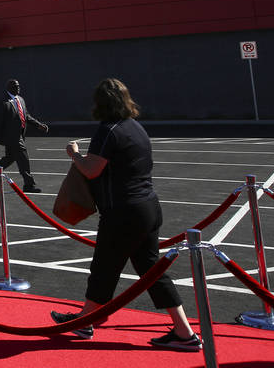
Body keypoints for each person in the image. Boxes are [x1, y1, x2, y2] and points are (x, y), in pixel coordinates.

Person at [51, 78, 201, 351]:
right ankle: (183, 331)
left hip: (124, 211)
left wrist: (73, 154)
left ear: (100, 104)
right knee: (151, 271)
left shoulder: (107, 131)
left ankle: (86, 321)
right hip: (148, 206)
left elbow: (92, 169)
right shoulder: (136, 128)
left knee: (104, 268)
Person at [0, 79, 48, 193]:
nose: (19, 88)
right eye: (16, 86)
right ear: (9, 88)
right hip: (11, 137)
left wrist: (39, 125)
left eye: (19, 86)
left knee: (10, 158)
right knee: (23, 159)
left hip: (20, 135)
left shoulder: (20, 99)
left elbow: (26, 116)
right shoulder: (3, 102)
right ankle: (29, 185)